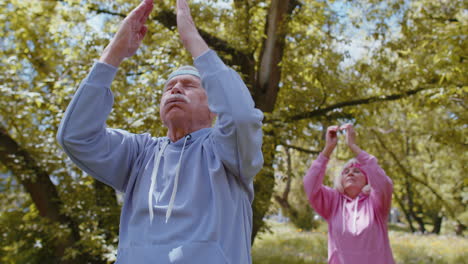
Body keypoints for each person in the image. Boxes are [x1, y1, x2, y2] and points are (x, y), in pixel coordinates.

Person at [57, 0, 264, 263]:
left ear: (214, 105)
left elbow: (241, 115)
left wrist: (191, 38)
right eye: (169, 87)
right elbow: (75, 137)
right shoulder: (139, 155)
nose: (176, 89)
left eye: (189, 85)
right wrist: (114, 53)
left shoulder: (228, 151)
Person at [303, 124, 395, 264]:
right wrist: (328, 149)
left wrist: (353, 146)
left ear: (367, 179)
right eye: (346, 172)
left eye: (357, 171)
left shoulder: (376, 203)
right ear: (341, 179)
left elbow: (383, 183)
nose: (350, 173)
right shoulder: (332, 201)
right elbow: (310, 183)